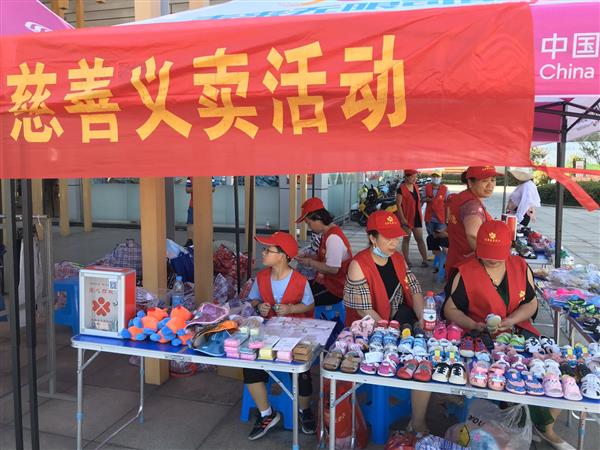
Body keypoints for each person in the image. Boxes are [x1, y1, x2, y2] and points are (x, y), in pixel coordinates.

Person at [443, 221, 574, 450]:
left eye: (497, 254)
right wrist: (474, 324)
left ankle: (544, 426)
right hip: (481, 335)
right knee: (499, 370)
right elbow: (450, 309)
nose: (492, 259)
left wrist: (512, 320)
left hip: (518, 331)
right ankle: (519, 425)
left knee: (554, 369)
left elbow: (531, 303)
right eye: (486, 253)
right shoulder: (465, 271)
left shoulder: (520, 266)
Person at [343, 211, 431, 433]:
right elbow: (364, 310)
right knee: (403, 353)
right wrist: (391, 333)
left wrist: (422, 317)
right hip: (369, 331)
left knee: (423, 358)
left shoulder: (398, 259)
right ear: (372, 238)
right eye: (388, 237)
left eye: (397, 237)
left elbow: (414, 289)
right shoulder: (359, 264)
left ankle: (418, 421)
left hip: (398, 321)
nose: (394, 242)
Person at [246, 232, 316, 440]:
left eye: (268, 250)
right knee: (250, 364)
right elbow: (253, 299)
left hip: (296, 334)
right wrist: (259, 306)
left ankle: (305, 410)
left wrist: (291, 309)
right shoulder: (261, 277)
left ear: (284, 256)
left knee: (302, 371)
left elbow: (309, 304)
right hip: (268, 333)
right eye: (264, 249)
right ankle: (266, 414)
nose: (263, 253)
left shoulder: (300, 280)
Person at [295, 198, 352, 307]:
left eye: (309, 223)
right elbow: (327, 259)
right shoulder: (327, 234)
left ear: (318, 218)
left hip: (335, 288)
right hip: (327, 282)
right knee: (298, 289)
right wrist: (312, 257)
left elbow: (333, 269)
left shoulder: (333, 238)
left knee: (300, 300)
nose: (309, 228)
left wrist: (310, 262)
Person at [446, 165, 501, 279]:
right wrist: (491, 259)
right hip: (469, 267)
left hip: (457, 259)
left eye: (493, 180)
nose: (490, 185)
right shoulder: (472, 206)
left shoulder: (461, 197)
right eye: (484, 181)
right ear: (470, 183)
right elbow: (472, 235)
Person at [396, 169, 428, 268]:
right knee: (407, 239)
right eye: (413, 177)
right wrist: (402, 218)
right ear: (407, 177)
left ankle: (425, 260)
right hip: (407, 217)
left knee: (420, 239)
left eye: (415, 177)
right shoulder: (401, 189)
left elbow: (418, 201)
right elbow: (398, 205)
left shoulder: (415, 187)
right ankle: (406, 260)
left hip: (417, 217)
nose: (415, 179)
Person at [423, 170, 449, 267]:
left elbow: (448, 204)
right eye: (434, 176)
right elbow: (422, 199)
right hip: (429, 218)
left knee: (442, 239)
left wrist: (447, 218)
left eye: (438, 176)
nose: (436, 178)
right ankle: (436, 256)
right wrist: (428, 199)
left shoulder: (445, 189)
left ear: (441, 178)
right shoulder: (427, 188)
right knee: (432, 238)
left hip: (441, 219)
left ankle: (444, 258)